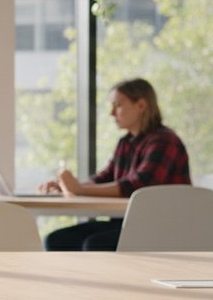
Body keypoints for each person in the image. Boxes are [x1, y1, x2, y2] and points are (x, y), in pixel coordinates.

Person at [41, 78, 191, 251]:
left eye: (117, 105)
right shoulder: (126, 143)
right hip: (127, 222)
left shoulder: (165, 141)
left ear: (141, 106)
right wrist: (67, 187)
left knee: (94, 245)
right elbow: (104, 177)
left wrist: (80, 190)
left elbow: (139, 185)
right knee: (56, 240)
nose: (112, 113)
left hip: (159, 227)